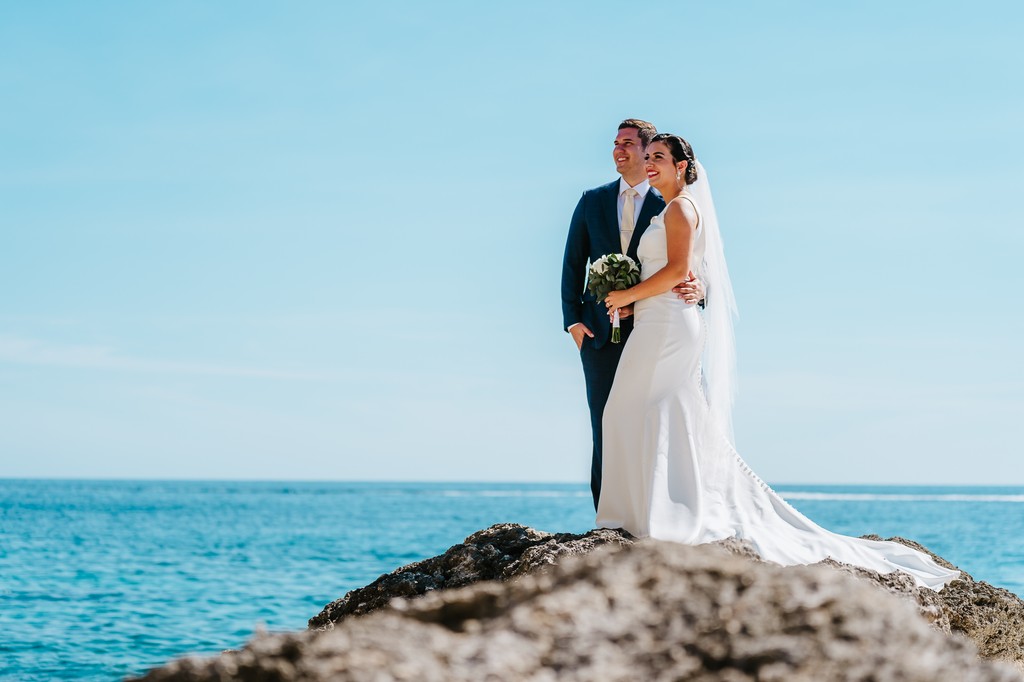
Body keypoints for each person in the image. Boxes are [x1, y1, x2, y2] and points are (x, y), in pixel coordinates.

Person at [596, 133, 959, 590]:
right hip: (655, 321)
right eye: (647, 158)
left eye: (659, 158)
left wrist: (627, 293)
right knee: (643, 413)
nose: (650, 165)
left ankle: (665, 515)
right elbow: (676, 275)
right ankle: (646, 513)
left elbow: (674, 271)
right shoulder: (667, 209)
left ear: (683, 166)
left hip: (669, 328)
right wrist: (633, 301)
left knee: (645, 412)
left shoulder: (681, 208)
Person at [562, 119, 703, 510]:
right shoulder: (592, 200)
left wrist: (701, 289)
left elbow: (691, 267)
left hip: (657, 331)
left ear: (647, 152)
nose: (618, 151)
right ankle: (607, 517)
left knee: (658, 421)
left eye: (628, 144)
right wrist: (573, 321)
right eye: (615, 144)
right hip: (598, 334)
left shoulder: (670, 202)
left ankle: (662, 509)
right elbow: (573, 263)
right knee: (606, 424)